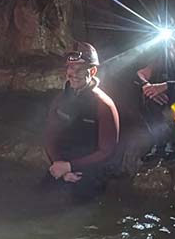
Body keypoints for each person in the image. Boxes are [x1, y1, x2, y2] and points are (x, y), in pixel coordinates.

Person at [43, 42, 120, 196]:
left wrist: (70, 166)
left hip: (90, 168)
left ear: (92, 71)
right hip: (62, 164)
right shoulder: (61, 98)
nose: (73, 73)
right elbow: (50, 136)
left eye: (79, 69)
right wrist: (59, 165)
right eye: (70, 68)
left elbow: (107, 151)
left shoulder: (103, 104)